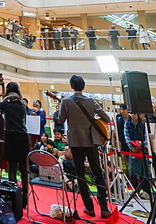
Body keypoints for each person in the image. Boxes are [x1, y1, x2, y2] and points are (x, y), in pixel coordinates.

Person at [57, 75, 112, 218]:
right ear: (84, 87)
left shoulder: (66, 101)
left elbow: (61, 119)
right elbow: (107, 118)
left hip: (75, 142)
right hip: (91, 141)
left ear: (71, 86)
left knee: (80, 174)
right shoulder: (91, 101)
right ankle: (104, 208)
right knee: (97, 173)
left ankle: (89, 208)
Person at [0, 82, 30, 203]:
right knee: (24, 169)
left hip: (11, 136)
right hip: (23, 136)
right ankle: (25, 196)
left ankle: (14, 196)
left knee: (12, 168)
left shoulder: (6, 104)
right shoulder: (22, 105)